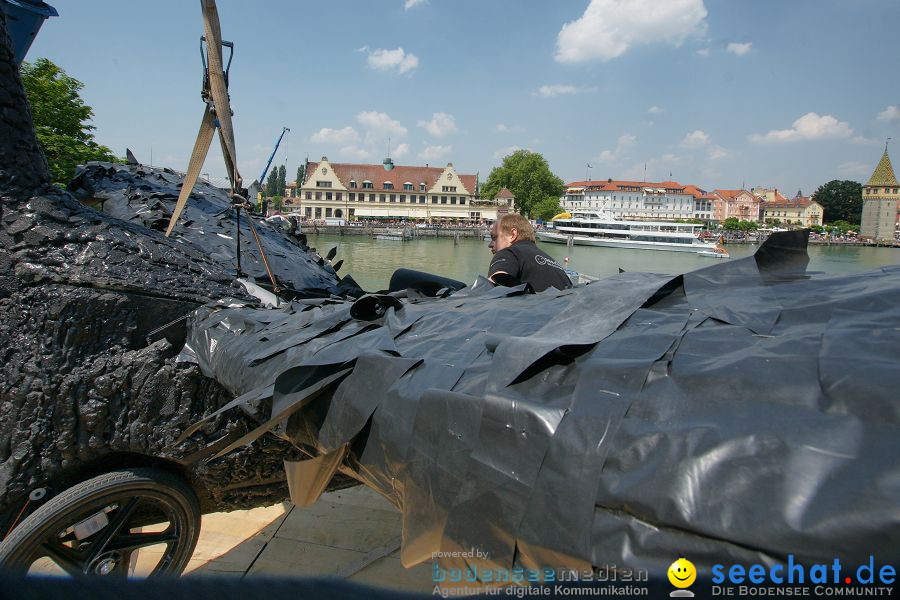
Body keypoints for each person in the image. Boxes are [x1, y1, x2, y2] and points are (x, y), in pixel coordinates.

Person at [487, 214, 572, 292]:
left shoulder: (510, 252)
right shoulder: (557, 267)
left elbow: (493, 288)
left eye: (494, 237)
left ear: (513, 235)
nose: (490, 245)